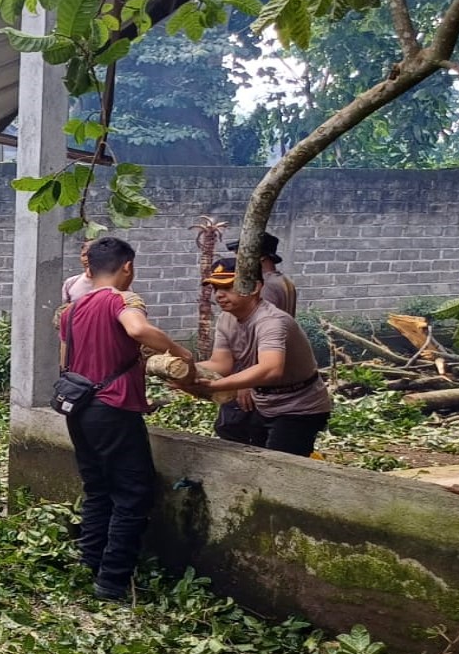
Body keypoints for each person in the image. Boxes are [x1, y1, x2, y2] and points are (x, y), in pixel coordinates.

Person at [59, 237, 196, 601]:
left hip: (79, 408)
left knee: (98, 488)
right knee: (133, 493)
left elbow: (75, 358)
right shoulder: (119, 300)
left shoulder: (72, 310)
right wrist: (180, 351)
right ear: (128, 267)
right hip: (112, 408)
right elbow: (136, 330)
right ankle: (113, 580)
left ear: (89, 268)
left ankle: (89, 562)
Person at [178, 258, 331, 456]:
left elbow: (271, 369)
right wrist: (184, 371)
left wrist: (215, 386)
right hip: (264, 402)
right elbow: (221, 363)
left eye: (228, 287)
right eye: (216, 288)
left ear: (254, 287)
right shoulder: (227, 318)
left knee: (280, 469)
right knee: (253, 456)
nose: (219, 295)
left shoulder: (271, 321)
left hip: (299, 407)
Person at [227, 231, 296, 316]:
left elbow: (264, 318)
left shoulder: (266, 284)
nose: (238, 260)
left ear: (261, 256)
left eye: (242, 255)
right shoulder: (284, 280)